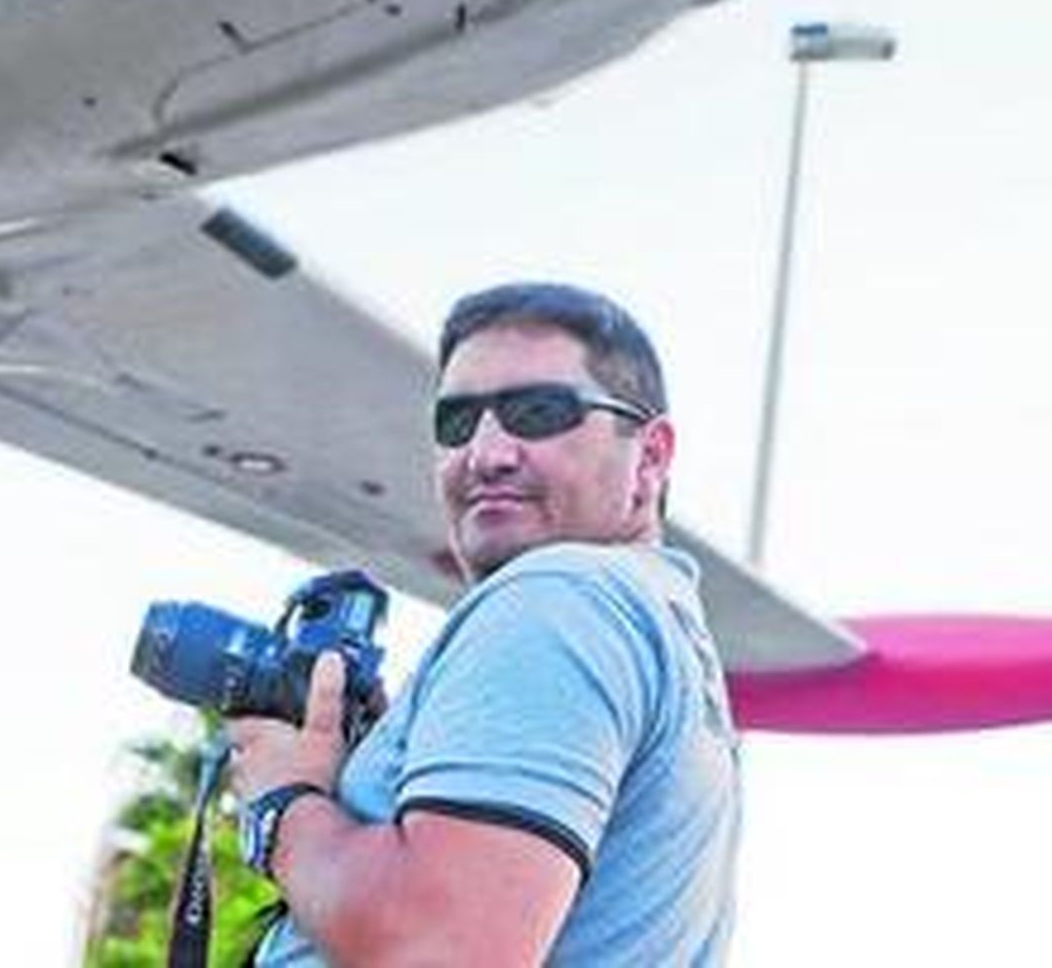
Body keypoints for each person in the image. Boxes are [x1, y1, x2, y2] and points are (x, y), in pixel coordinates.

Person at [227, 282, 739, 966]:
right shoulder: (657, 629)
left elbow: (444, 950)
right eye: (457, 422)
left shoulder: (562, 597)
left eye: (538, 412)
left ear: (649, 457)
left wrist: (283, 805)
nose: (487, 452)